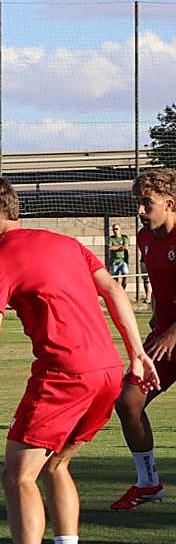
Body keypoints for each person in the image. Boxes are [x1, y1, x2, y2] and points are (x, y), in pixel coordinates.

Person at [0, 175, 156, 544]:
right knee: (56, 464)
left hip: (65, 374)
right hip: (106, 371)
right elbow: (113, 290)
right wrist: (136, 352)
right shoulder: (64, 243)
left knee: (17, 474)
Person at [111, 169, 176, 511]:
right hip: (164, 340)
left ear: (170, 203)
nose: (140, 210)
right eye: (138, 203)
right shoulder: (144, 238)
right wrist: (157, 316)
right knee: (127, 402)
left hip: (172, 336)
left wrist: (173, 331)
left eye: (146, 204)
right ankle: (148, 483)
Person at [107, 223, 130, 289]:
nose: (115, 230)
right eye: (113, 229)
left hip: (123, 260)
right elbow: (110, 248)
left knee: (125, 275)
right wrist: (120, 247)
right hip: (114, 261)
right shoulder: (111, 238)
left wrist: (115, 247)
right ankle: (117, 291)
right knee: (115, 279)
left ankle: (123, 290)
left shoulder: (124, 237)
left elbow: (126, 247)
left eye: (116, 229)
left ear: (120, 229)